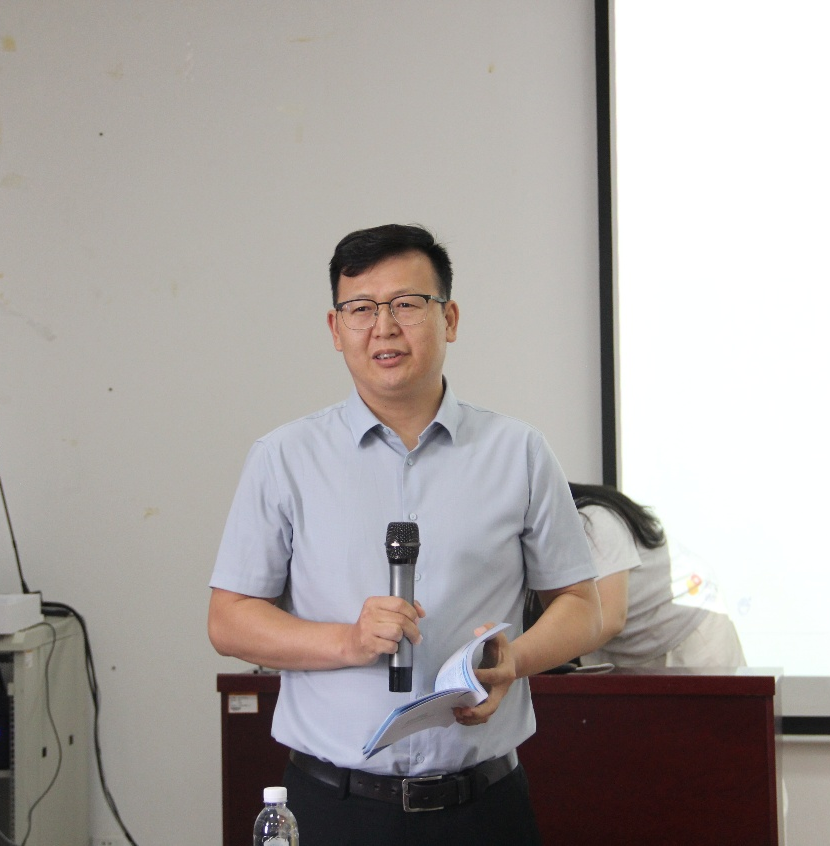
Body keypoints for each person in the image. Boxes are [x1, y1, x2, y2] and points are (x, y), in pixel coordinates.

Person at [208, 224, 600, 845]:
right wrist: (348, 641)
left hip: (483, 806)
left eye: (407, 305)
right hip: (334, 806)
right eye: (361, 309)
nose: (383, 328)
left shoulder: (519, 452)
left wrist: (514, 663)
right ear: (336, 329)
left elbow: (581, 605)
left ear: (450, 318)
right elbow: (229, 620)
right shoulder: (284, 458)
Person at [560, 482, 746, 668]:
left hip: (690, 630)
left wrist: (544, 656)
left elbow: (611, 619)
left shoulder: (593, 518)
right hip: (630, 650)